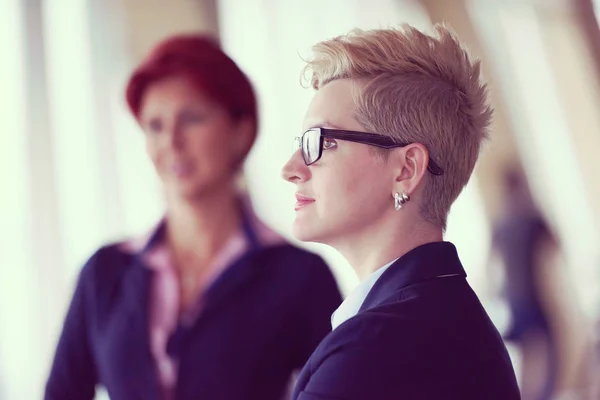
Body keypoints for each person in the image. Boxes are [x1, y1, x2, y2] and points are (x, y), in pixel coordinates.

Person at [45, 34, 342, 400]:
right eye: (155, 125)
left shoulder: (300, 276)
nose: (171, 140)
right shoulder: (103, 273)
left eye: (192, 119)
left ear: (241, 132)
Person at [281, 24, 521, 400]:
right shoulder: (443, 317)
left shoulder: (373, 348)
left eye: (319, 142)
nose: (291, 167)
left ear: (406, 170)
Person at [490, 166, 558, 400]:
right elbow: (556, 245)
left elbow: (492, 264)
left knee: (528, 359)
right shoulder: (531, 219)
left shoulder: (501, 225)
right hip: (534, 296)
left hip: (512, 299)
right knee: (540, 354)